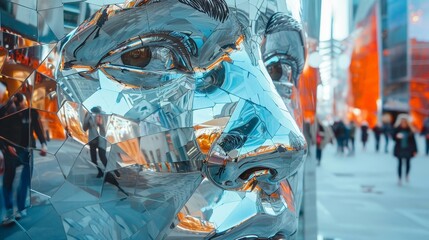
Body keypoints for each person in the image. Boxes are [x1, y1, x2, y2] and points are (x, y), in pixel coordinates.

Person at [1, 93, 47, 225]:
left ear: (25, 102)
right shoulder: (8, 114)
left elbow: (37, 129)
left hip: (27, 149)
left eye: (20, 105)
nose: (19, 109)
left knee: (25, 178)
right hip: (12, 150)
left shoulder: (31, 113)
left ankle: (20, 208)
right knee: (8, 177)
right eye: (15, 106)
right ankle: (10, 209)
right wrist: (6, 146)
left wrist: (43, 144)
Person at [83, 106, 120, 178]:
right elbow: (84, 128)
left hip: (101, 139)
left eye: (95, 113)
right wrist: (87, 118)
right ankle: (100, 172)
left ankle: (113, 170)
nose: (94, 114)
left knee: (102, 157)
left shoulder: (102, 117)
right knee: (93, 159)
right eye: (93, 113)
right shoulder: (89, 117)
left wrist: (100, 123)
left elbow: (105, 130)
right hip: (93, 139)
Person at [392, 114, 417, 186]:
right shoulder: (397, 129)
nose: (403, 123)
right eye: (402, 122)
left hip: (408, 149)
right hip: (399, 149)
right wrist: (397, 136)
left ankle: (406, 175)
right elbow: (393, 138)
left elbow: (413, 141)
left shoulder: (410, 130)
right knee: (399, 163)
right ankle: (399, 178)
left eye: (404, 122)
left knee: (408, 163)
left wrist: (415, 150)